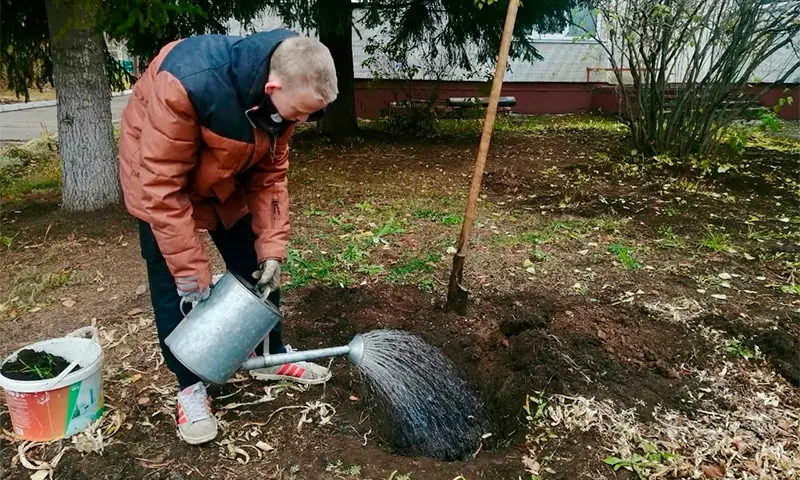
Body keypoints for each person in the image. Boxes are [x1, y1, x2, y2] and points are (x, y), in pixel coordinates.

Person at [118, 29, 338, 445]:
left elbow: (271, 178)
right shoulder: (187, 81)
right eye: (300, 112)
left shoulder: (285, 95)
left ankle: (268, 355)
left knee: (257, 265)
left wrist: (272, 247)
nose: (304, 121)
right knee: (177, 285)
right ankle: (190, 388)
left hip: (227, 177)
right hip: (158, 180)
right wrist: (192, 270)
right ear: (272, 88)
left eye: (314, 114)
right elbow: (162, 187)